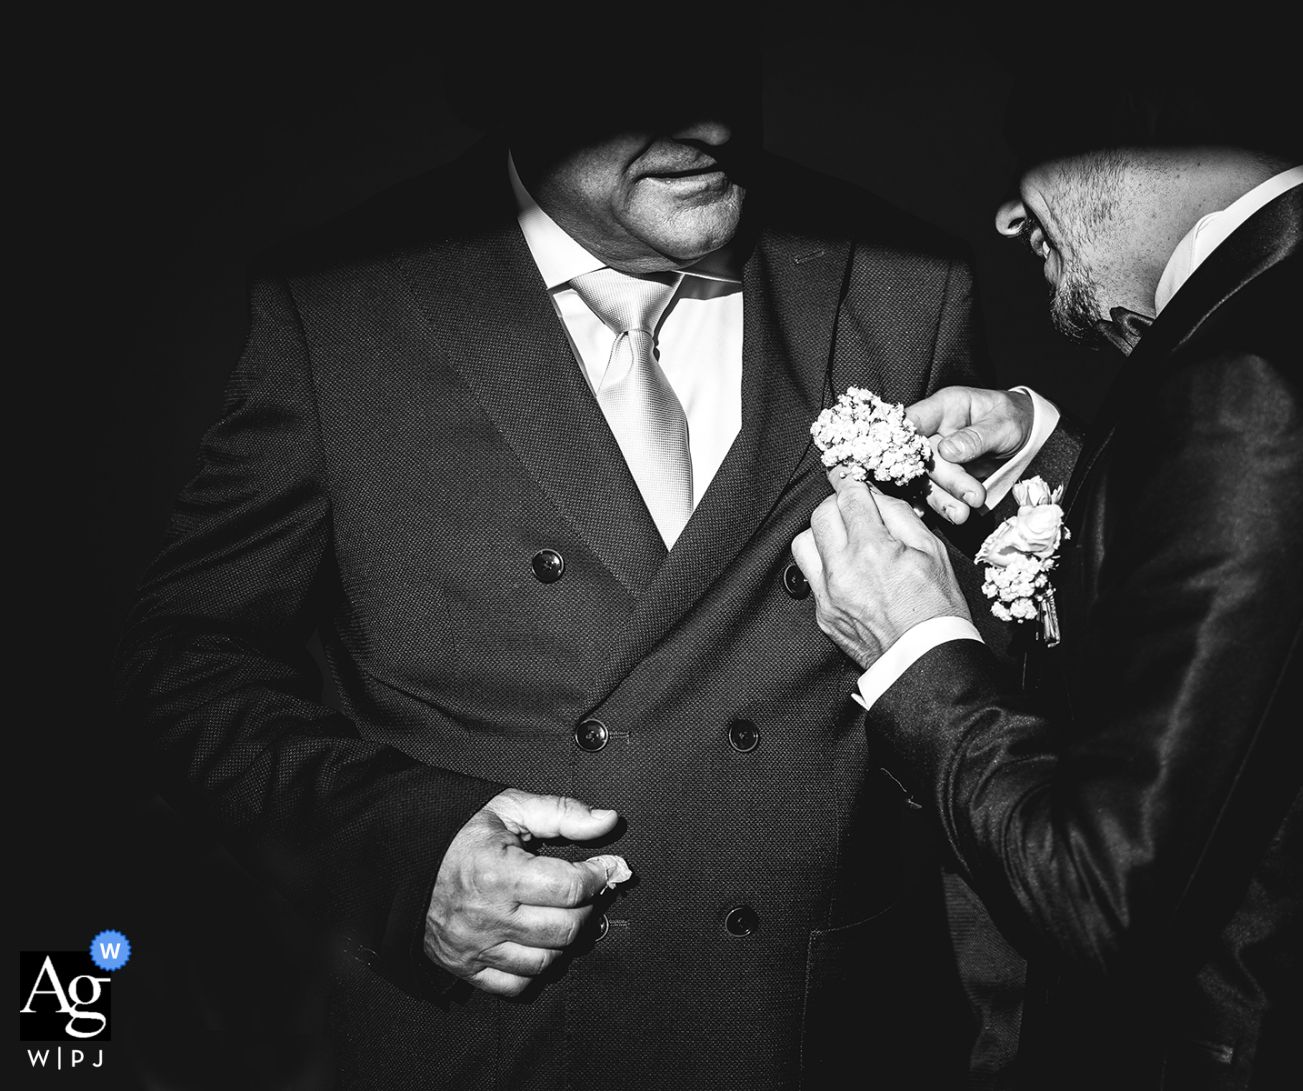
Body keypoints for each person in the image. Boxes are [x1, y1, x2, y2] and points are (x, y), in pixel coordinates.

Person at [112, 27, 1045, 1088]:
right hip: (497, 1040)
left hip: (811, 1032)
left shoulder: (903, 280)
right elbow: (184, 661)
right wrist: (395, 846)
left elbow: (982, 691)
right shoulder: (342, 304)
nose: (710, 121)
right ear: (502, 75)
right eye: (637, 70)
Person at [792, 56, 1303, 1087]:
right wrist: (1052, 452)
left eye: (1035, 151)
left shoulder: (1249, 379)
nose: (1008, 217)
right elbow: (1281, 571)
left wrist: (913, 650)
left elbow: (1099, 891)